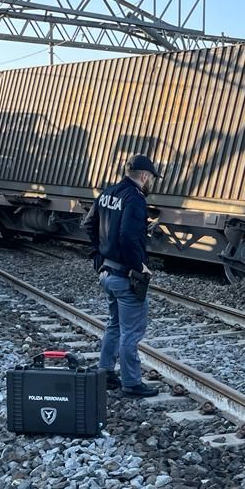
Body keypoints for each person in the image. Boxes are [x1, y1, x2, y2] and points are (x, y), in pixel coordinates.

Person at [82, 154, 161, 398]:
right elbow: (126, 235)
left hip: (106, 272)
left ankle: (105, 371)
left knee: (114, 324)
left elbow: (89, 224)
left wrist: (99, 256)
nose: (151, 185)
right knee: (131, 331)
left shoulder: (108, 192)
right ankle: (132, 383)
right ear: (145, 176)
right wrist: (138, 266)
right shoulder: (135, 199)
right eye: (152, 180)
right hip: (125, 275)